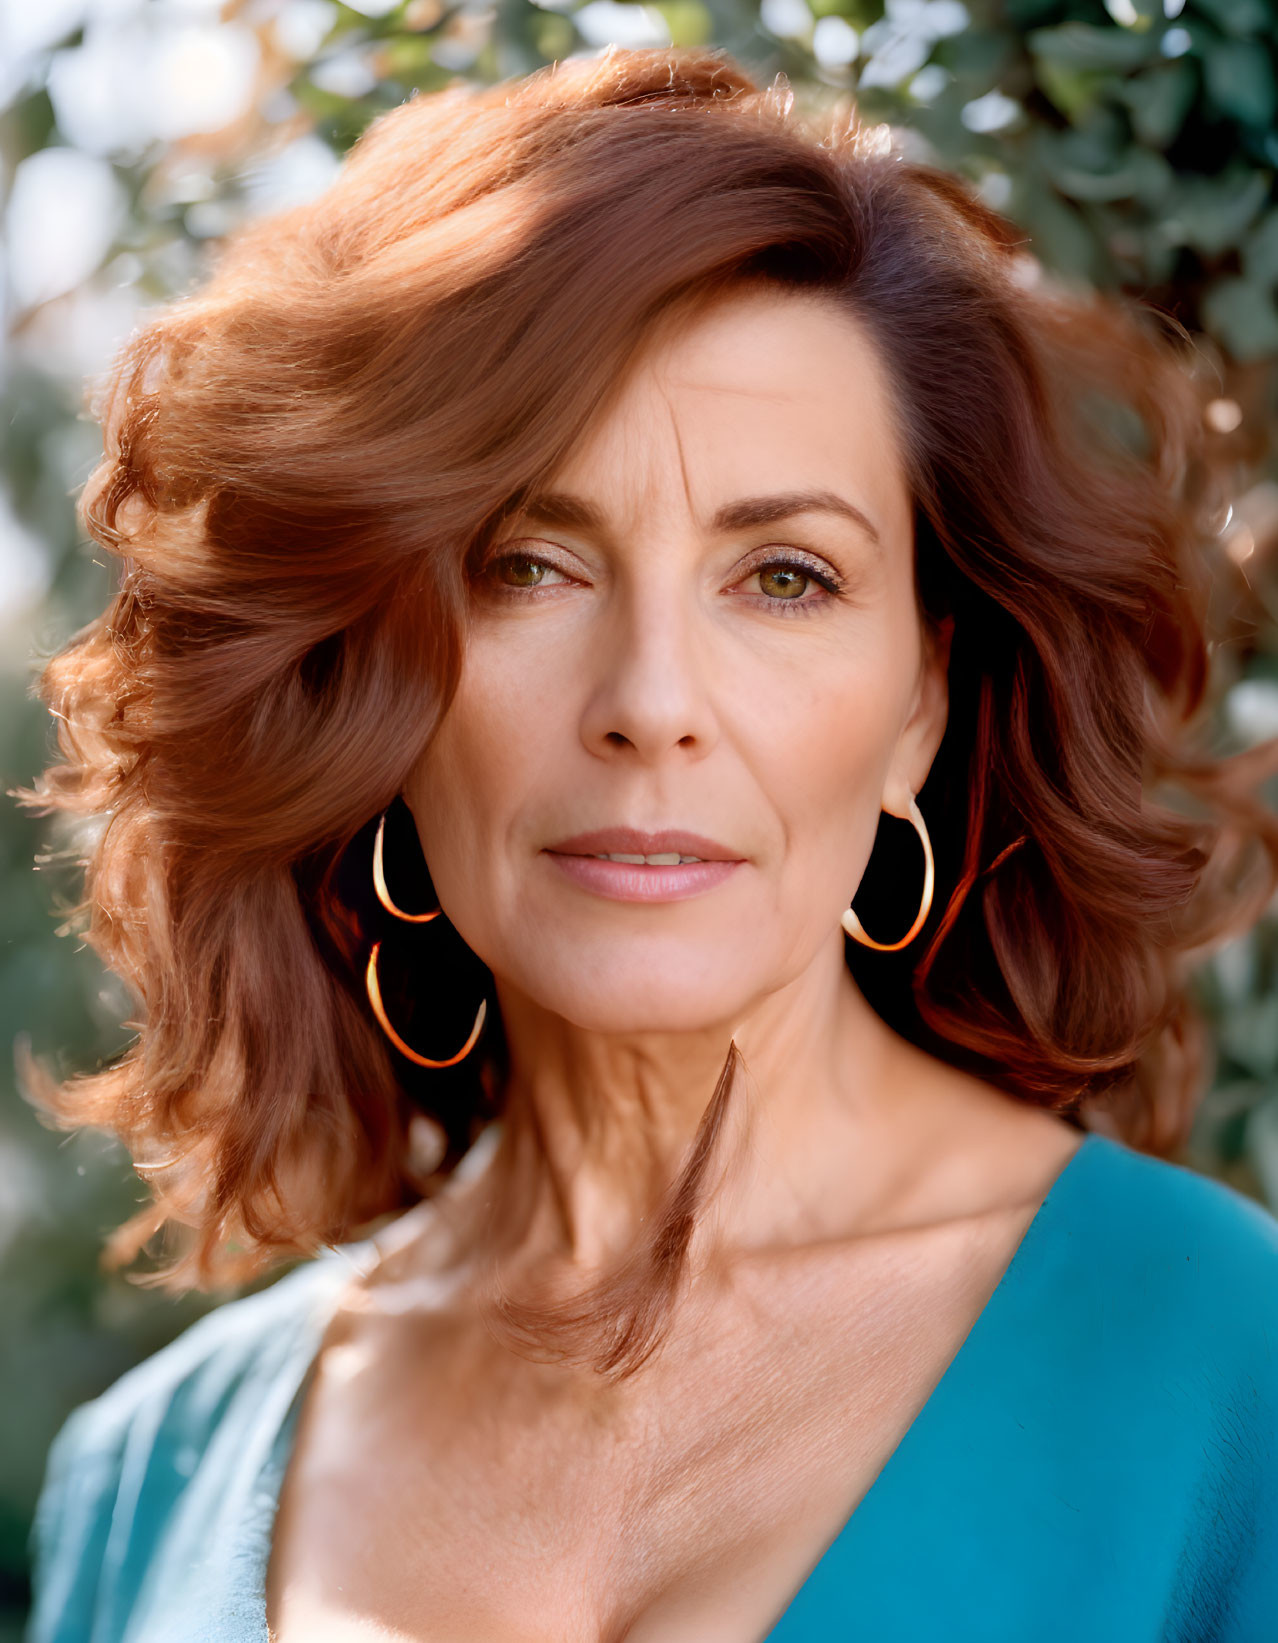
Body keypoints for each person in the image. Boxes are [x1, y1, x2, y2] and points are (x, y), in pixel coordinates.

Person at [18, 42, 1278, 1643]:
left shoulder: (1222, 1373)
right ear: (372, 677)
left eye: (785, 579)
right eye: (528, 564)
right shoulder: (149, 1485)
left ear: (921, 705)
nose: (649, 704)